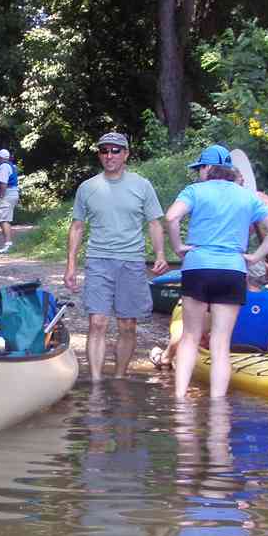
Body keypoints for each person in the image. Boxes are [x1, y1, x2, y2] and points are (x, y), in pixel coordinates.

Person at [164, 144, 268, 399]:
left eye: (200, 168)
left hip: (198, 266)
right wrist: (255, 256)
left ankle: (179, 399)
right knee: (220, 343)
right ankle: (218, 406)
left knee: (190, 336)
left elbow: (172, 217)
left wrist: (178, 247)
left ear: (208, 168)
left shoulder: (194, 191)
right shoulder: (247, 196)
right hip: (232, 269)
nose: (199, 173)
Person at [64, 132, 169, 381]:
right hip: (98, 260)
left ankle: (120, 378)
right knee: (97, 322)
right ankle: (97, 385)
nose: (109, 155)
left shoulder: (142, 185)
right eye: (104, 150)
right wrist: (71, 265)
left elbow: (154, 223)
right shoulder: (87, 187)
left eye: (115, 150)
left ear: (126, 154)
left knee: (127, 325)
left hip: (131, 261)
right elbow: (77, 226)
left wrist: (161, 253)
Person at [0, 148, 20, 253]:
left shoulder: (3, 167)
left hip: (5, 195)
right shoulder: (9, 165)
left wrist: (1, 196)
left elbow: (3, 182)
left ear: (0, 157)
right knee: (3, 219)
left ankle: (8, 244)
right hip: (8, 194)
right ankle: (7, 243)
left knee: (4, 220)